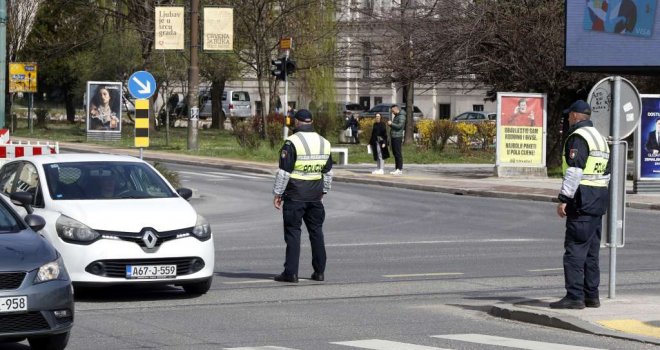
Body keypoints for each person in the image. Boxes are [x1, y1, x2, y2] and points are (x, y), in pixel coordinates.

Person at [550, 100, 610, 310]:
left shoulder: (578, 137)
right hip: (598, 199)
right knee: (592, 252)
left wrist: (564, 199)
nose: (567, 118)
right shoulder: (600, 138)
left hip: (582, 199)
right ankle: (591, 296)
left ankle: (574, 297)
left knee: (575, 250)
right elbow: (607, 173)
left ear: (576, 116)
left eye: (569, 115)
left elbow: (574, 171)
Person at [272, 109, 333, 283]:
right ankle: (319, 272)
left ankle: (291, 273)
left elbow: (284, 173)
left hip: (295, 195)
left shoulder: (291, 142)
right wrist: (324, 192)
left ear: (297, 122)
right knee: (316, 233)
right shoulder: (324, 143)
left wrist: (278, 194)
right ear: (311, 121)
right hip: (315, 195)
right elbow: (328, 173)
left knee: (293, 233)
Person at [388, 104, 406, 175]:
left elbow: (399, 126)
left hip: (398, 137)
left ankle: (399, 169)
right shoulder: (397, 116)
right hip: (394, 136)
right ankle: (397, 168)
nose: (392, 112)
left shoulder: (401, 116)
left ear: (396, 109)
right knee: (395, 153)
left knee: (398, 153)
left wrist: (391, 124)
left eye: (393, 111)